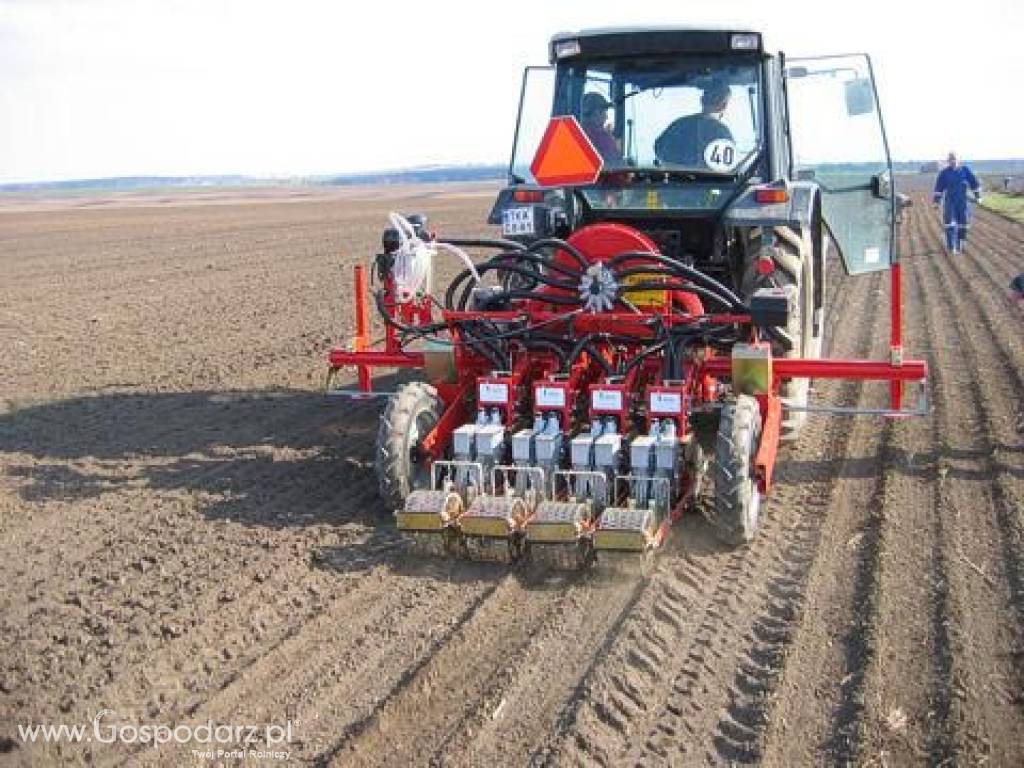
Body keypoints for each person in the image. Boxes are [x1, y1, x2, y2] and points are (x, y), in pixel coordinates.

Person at [655, 81, 734, 168]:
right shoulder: (722, 132)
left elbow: (658, 148)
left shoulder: (678, 124)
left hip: (674, 179)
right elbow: (727, 166)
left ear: (702, 100)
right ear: (724, 105)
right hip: (707, 181)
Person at [932, 151, 981, 254]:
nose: (952, 162)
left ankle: (960, 243)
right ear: (948, 161)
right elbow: (939, 187)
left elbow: (974, 183)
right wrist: (936, 201)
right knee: (949, 223)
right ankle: (951, 246)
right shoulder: (944, 173)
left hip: (962, 201)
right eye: (950, 160)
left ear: (958, 160)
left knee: (963, 223)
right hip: (950, 201)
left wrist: (978, 196)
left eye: (954, 159)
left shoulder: (965, 170)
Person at [579, 92, 622, 164]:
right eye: (605, 112)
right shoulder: (600, 136)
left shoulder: (577, 135)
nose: (606, 117)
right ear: (596, 112)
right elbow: (616, 164)